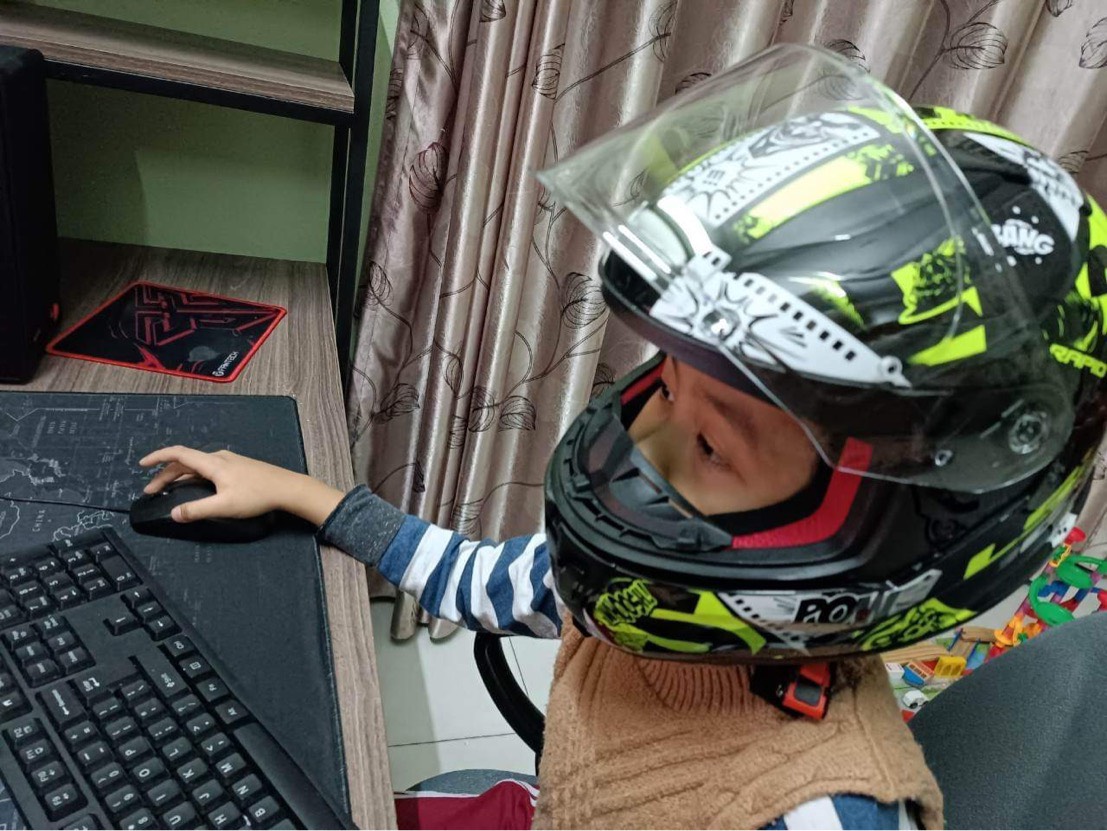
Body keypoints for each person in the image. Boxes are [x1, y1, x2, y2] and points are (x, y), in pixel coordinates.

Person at [138, 46, 1107, 830]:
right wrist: (301, 493)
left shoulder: (820, 808)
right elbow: (482, 582)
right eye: (662, 387)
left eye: (714, 445)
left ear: (908, 526)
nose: (642, 453)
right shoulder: (640, 590)